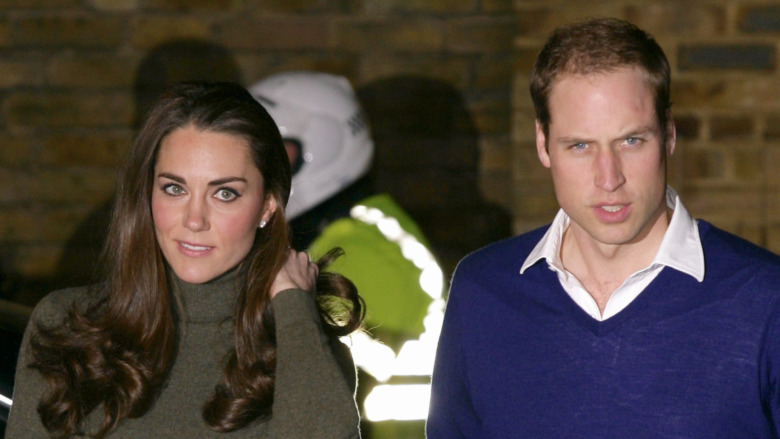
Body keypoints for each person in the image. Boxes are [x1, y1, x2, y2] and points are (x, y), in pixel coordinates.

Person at [427, 17, 780, 438]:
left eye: (631, 141)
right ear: (543, 144)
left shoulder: (765, 299)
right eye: (580, 146)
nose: (608, 178)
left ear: (668, 134)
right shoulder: (481, 292)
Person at [7, 82, 364, 438]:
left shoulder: (301, 347)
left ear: (267, 207)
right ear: (147, 193)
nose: (194, 220)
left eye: (225, 193)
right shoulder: (65, 328)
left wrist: (293, 308)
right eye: (174, 188)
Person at [249, 72, 445, 430]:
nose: (259, 169)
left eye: (275, 152)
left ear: (325, 145)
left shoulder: (354, 251)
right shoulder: (367, 228)